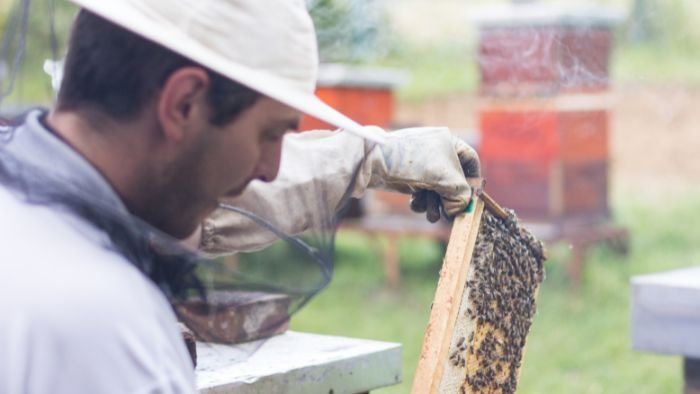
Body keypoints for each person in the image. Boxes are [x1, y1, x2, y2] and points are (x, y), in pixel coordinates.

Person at [0, 0, 480, 392]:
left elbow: (199, 193)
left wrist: (371, 156)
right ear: (183, 102)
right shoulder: (104, 332)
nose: (270, 168)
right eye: (270, 134)